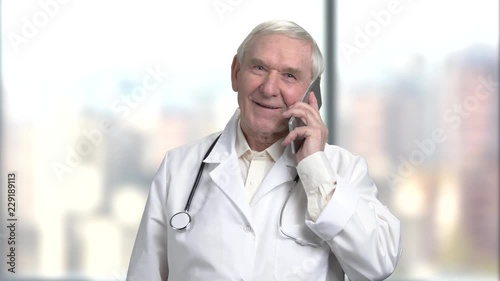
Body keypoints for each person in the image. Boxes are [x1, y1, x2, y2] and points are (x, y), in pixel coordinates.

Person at [126, 20, 402, 281]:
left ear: (311, 93)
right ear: (236, 73)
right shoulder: (179, 167)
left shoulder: (342, 169)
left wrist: (316, 169)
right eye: (258, 68)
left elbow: (377, 265)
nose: (269, 88)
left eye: (289, 75)